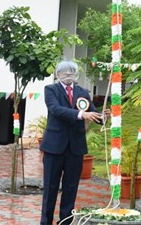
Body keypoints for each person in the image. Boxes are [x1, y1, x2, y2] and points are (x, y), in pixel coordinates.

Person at [39, 61, 103, 225]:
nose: (68, 76)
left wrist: (103, 117)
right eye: (64, 73)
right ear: (58, 74)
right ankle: (46, 222)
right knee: (50, 187)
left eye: (71, 73)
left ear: (76, 74)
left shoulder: (82, 92)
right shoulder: (51, 90)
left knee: (71, 187)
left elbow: (92, 112)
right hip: (54, 146)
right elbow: (56, 109)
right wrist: (81, 115)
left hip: (75, 147)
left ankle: (65, 221)